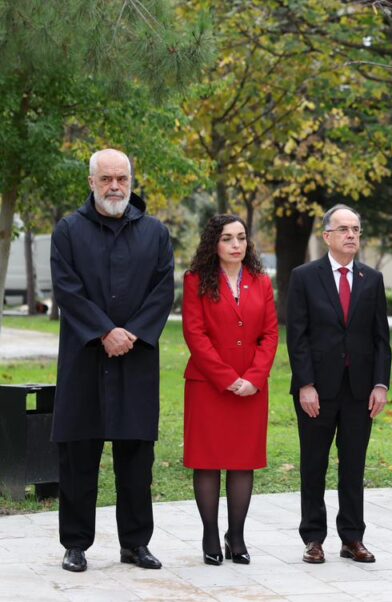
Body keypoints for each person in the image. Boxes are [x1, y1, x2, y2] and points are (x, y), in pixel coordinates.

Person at [50, 148, 174, 572]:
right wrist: (105, 331)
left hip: (136, 359)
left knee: (137, 460)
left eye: (122, 178)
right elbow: (67, 290)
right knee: (78, 458)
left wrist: (131, 333)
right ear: (92, 182)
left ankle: (135, 544)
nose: (115, 186)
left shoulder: (155, 233)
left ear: (131, 181)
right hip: (84, 359)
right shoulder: (68, 231)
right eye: (106, 179)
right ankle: (75, 544)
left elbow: (163, 290)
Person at [287, 204, 392, 565]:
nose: (351, 235)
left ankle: (352, 538)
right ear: (327, 236)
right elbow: (297, 337)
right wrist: (305, 384)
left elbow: (381, 338)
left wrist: (380, 384)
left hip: (359, 391)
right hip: (317, 390)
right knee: (313, 464)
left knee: (353, 466)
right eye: (344, 229)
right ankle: (313, 538)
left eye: (356, 229)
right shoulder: (304, 276)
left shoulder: (371, 279)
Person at [182, 215, 279, 566]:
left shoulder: (261, 281)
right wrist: (227, 378)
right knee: (207, 461)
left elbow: (270, 334)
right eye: (227, 238)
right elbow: (195, 334)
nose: (236, 245)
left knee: (242, 462)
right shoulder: (195, 280)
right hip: (208, 386)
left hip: (251, 387)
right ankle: (210, 534)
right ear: (214, 243)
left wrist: (254, 377)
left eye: (241, 237)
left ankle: (235, 536)